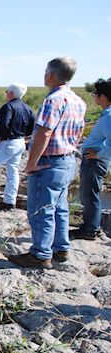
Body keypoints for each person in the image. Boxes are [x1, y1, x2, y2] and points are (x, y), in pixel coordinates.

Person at [7, 57, 87, 268]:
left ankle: (41, 254)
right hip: (67, 160)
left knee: (41, 209)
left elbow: (44, 132)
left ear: (51, 74)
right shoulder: (78, 100)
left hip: (49, 162)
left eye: (45, 71)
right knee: (60, 207)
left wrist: (31, 162)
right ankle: (61, 248)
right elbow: (78, 133)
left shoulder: (53, 100)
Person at [70, 78, 111, 240]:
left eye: (95, 94)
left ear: (103, 97)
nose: (93, 97)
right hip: (94, 160)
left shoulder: (108, 117)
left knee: (89, 194)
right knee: (88, 194)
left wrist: (98, 154)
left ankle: (90, 229)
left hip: (94, 161)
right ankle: (92, 226)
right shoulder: (106, 114)